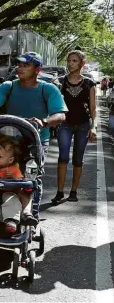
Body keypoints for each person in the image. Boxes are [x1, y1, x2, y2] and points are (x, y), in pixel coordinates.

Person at [0, 52, 68, 219]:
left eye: (26, 65)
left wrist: (43, 121)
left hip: (36, 141)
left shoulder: (48, 89)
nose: (20, 68)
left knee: (31, 178)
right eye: (19, 65)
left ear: (37, 69)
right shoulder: (8, 86)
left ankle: (31, 215)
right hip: (8, 140)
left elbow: (60, 115)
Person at [53, 50, 97, 204]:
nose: (70, 64)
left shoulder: (89, 83)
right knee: (63, 157)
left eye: (74, 61)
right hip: (65, 124)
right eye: (69, 61)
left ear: (82, 64)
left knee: (78, 159)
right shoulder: (61, 81)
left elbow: (93, 108)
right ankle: (59, 192)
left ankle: (73, 191)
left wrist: (94, 127)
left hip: (83, 125)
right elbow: (55, 104)